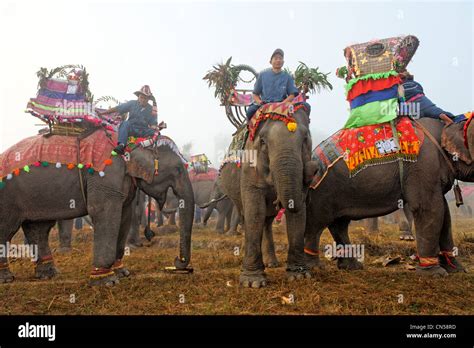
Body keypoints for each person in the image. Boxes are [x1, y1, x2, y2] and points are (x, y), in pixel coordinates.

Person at [98, 85, 158, 154]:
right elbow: (117, 108)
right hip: (131, 127)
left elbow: (153, 124)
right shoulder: (132, 103)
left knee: (155, 133)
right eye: (142, 97)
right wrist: (103, 113)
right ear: (138, 97)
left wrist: (155, 127)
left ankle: (154, 150)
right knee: (125, 123)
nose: (143, 100)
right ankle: (121, 145)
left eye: (145, 98)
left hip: (143, 130)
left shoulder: (152, 110)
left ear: (148, 99)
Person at [246, 48, 303, 121]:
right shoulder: (262, 74)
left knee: (304, 108)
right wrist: (260, 102)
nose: (278, 60)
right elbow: (255, 94)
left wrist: (282, 103)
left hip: (282, 104)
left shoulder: (287, 76)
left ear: (283, 62)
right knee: (250, 111)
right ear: (270, 61)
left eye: (280, 58)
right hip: (265, 104)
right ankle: (249, 131)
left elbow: (292, 94)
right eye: (276, 58)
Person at [400, 71, 466, 124]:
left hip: (412, 107)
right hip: (424, 102)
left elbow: (399, 101)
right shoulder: (415, 83)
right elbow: (421, 91)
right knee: (437, 111)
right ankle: (445, 117)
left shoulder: (398, 88)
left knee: (410, 123)